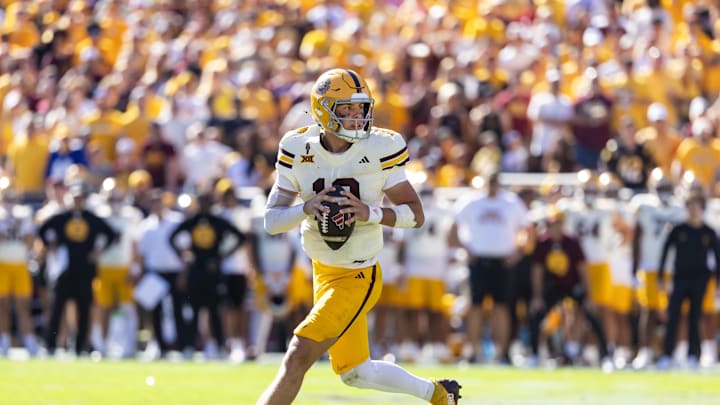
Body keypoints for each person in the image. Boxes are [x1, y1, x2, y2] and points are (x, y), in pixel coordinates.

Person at [257, 69, 460, 405]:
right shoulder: (297, 147)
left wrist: (371, 213)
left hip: (358, 274)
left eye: (360, 108)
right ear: (323, 110)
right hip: (321, 271)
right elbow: (272, 222)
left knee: (297, 355)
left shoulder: (381, 147)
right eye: (346, 110)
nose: (356, 117)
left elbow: (416, 215)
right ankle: (440, 395)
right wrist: (307, 208)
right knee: (355, 371)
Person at [448, 171, 529, 365]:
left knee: (502, 307)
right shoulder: (471, 201)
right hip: (478, 262)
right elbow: (453, 230)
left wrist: (517, 252)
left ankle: (503, 352)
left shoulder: (511, 202)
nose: (492, 186)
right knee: (475, 307)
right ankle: (472, 351)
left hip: (502, 262)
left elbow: (527, 229)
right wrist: (466, 249)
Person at [38, 182, 117, 355]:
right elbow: (43, 229)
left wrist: (99, 251)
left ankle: (80, 346)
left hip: (85, 271)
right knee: (57, 308)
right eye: (75, 198)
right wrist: (50, 245)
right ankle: (50, 344)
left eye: (81, 198)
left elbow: (111, 234)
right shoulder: (62, 217)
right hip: (64, 271)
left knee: (84, 309)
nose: (78, 201)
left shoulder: (91, 218)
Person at [528, 208, 609, 367]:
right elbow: (537, 272)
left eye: (557, 224)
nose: (555, 228)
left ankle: (605, 356)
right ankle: (534, 354)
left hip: (573, 286)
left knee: (592, 314)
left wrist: (589, 296)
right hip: (552, 288)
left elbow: (583, 271)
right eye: (552, 225)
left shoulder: (572, 243)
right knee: (536, 314)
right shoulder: (543, 244)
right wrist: (537, 296)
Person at [169, 192, 245, 359]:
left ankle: (219, 347)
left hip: (213, 272)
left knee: (215, 311)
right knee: (194, 311)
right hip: (195, 272)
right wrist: (183, 255)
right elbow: (172, 237)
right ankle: (189, 347)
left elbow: (239, 237)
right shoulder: (193, 221)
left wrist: (223, 254)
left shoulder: (217, 222)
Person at [657, 192, 720, 369]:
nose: (694, 210)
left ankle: (694, 355)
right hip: (680, 279)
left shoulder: (708, 232)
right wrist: (661, 276)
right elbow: (665, 251)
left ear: (702, 208)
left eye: (697, 205)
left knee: (695, 317)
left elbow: (717, 258)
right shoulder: (679, 230)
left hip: (700, 280)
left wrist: (718, 283)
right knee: (673, 317)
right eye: (690, 205)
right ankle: (667, 355)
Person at [630, 169, 686, 369]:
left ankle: (679, 351)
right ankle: (645, 352)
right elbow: (636, 239)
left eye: (665, 186)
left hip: (672, 266)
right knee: (649, 311)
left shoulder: (680, 208)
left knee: (676, 311)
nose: (662, 190)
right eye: (659, 186)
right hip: (650, 265)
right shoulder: (643, 206)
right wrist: (634, 267)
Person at [92, 178, 143, 358]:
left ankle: (128, 346)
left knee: (127, 307)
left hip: (123, 267)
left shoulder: (132, 215)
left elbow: (136, 244)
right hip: (104, 267)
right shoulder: (99, 215)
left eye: (116, 197)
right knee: (103, 306)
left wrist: (135, 269)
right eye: (111, 197)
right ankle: (102, 345)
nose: (114, 201)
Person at [134, 190, 186, 358]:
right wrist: (141, 274)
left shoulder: (176, 221)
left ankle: (181, 345)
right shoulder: (146, 226)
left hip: (174, 270)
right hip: (155, 272)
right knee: (155, 311)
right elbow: (142, 254)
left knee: (178, 309)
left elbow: (184, 249)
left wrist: (183, 272)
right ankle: (159, 345)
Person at [0, 179, 39, 356]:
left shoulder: (23, 213)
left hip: (20, 264)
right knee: (3, 305)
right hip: (2, 264)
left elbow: (30, 241)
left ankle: (30, 341)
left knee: (23, 305)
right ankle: (4, 341)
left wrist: (17, 226)